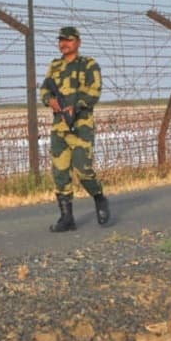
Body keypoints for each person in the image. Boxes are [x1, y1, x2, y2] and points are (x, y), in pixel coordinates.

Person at [40, 26, 109, 232]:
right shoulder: (54, 66)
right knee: (60, 173)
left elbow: (94, 92)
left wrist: (76, 105)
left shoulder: (88, 65)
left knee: (83, 169)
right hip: (59, 127)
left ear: (78, 42)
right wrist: (49, 100)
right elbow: (44, 88)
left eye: (68, 40)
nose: (64, 44)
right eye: (61, 40)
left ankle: (99, 198)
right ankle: (66, 217)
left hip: (81, 126)